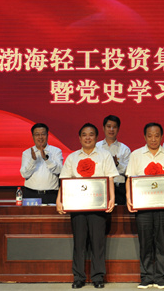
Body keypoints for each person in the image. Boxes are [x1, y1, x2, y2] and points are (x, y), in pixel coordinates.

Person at [57, 123, 118, 289]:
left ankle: (98, 277)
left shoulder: (105, 155)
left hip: (98, 205)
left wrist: (112, 198)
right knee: (79, 242)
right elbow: (64, 180)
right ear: (79, 138)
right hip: (77, 206)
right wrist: (59, 199)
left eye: (91, 134)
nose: (88, 137)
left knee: (98, 242)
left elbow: (110, 178)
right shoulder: (72, 157)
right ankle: (79, 277)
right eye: (84, 134)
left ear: (96, 137)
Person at [126, 122, 164, 289]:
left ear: (161, 137)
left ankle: (160, 277)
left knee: (162, 242)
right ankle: (146, 276)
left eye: (156, 136)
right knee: (145, 242)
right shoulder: (136, 155)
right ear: (144, 137)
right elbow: (130, 179)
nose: (153, 139)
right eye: (150, 136)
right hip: (143, 206)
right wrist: (129, 198)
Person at [19, 122, 63, 204]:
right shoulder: (27, 153)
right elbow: (24, 174)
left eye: (43, 134)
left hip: (51, 194)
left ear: (47, 135)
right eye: (37, 134)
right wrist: (33, 160)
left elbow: (59, 171)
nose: (40, 137)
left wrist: (46, 159)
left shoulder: (56, 151)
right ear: (33, 136)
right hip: (31, 194)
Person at [96, 114, 131, 205]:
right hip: (100, 187)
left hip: (119, 188)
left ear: (118, 129)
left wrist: (117, 164)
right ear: (103, 128)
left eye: (114, 127)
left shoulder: (124, 149)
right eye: (108, 126)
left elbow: (129, 170)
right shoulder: (96, 147)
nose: (111, 129)